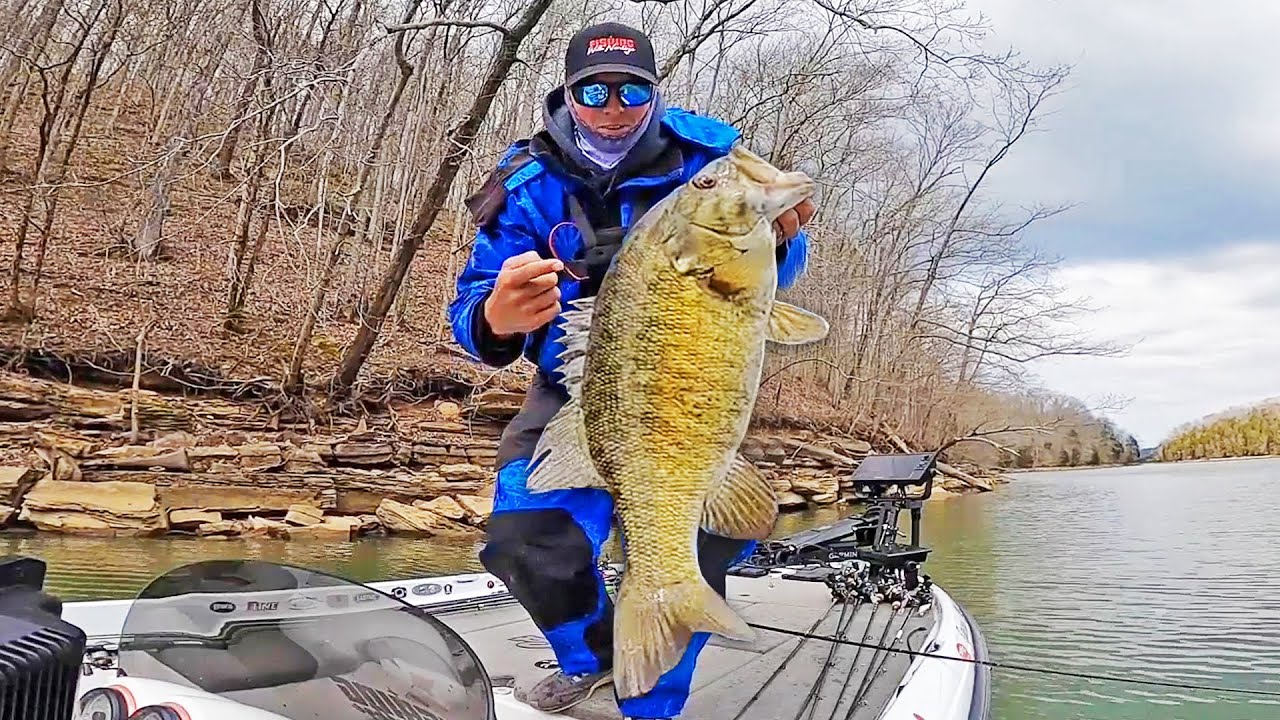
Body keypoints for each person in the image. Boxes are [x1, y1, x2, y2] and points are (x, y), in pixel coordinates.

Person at [448, 21, 815, 720]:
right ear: (567, 93)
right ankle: (592, 662)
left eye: (632, 89)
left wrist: (785, 236)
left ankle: (652, 704)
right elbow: (473, 307)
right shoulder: (523, 186)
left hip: (691, 389)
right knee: (523, 540)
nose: (612, 105)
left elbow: (772, 274)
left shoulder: (709, 159)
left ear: (653, 92)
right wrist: (498, 317)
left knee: (705, 537)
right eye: (594, 89)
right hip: (577, 388)